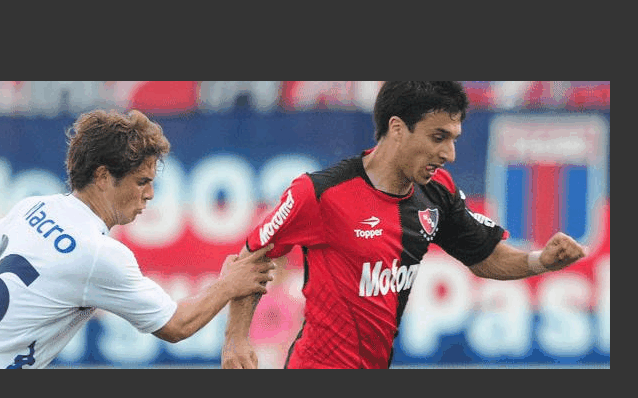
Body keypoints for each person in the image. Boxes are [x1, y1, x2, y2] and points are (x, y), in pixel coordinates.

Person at [221, 81, 587, 369]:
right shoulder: (320, 192)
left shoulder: (437, 191)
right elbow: (254, 252)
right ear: (397, 128)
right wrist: (236, 338)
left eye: (453, 139)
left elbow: (484, 256)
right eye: (438, 137)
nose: (449, 154)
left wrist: (540, 261)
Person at [0, 109, 275, 369]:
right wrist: (228, 285)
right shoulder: (97, 253)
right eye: (142, 182)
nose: (150, 194)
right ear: (104, 176)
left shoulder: (34, 206)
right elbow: (176, 325)